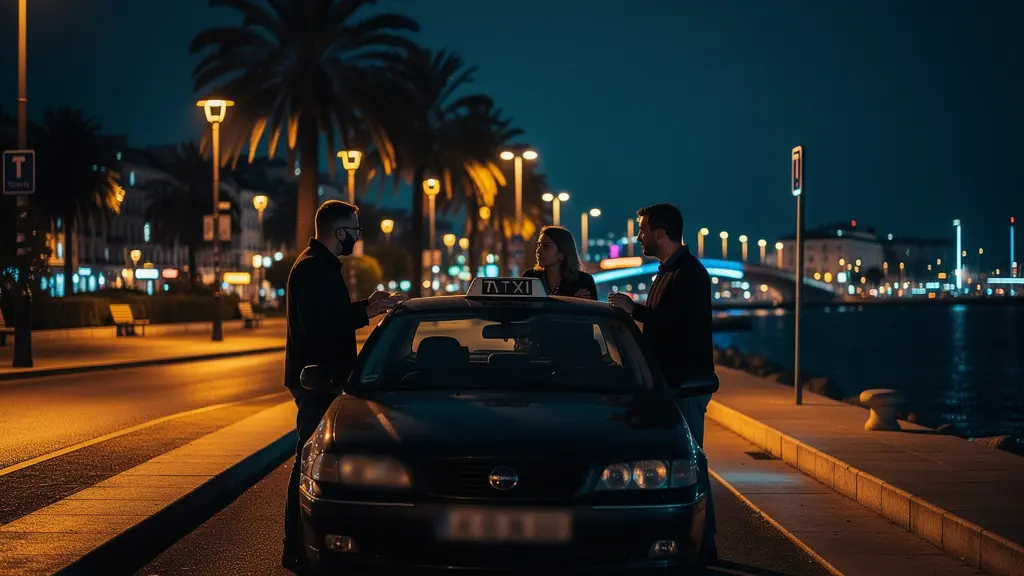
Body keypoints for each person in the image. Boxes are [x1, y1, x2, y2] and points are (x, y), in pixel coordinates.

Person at [281, 200, 403, 572]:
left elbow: (327, 314)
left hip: (326, 379)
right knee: (308, 461)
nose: (356, 236)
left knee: (310, 458)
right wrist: (363, 313)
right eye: (354, 230)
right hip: (316, 380)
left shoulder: (320, 266)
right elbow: (316, 326)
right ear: (339, 232)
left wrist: (367, 304)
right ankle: (297, 545)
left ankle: (299, 544)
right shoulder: (312, 268)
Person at [607, 202, 717, 563]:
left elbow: (675, 328)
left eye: (643, 230)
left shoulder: (689, 274)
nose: (638, 237)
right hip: (671, 384)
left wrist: (632, 309)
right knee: (681, 461)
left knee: (693, 461)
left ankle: (704, 545)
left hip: (685, 385)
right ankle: (696, 541)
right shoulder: (668, 272)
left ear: (661, 232)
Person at [523, 225, 597, 299]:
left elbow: (595, 309)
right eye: (538, 245)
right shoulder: (530, 277)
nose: (538, 251)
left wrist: (579, 303)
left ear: (562, 252)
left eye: (546, 246)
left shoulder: (583, 281)